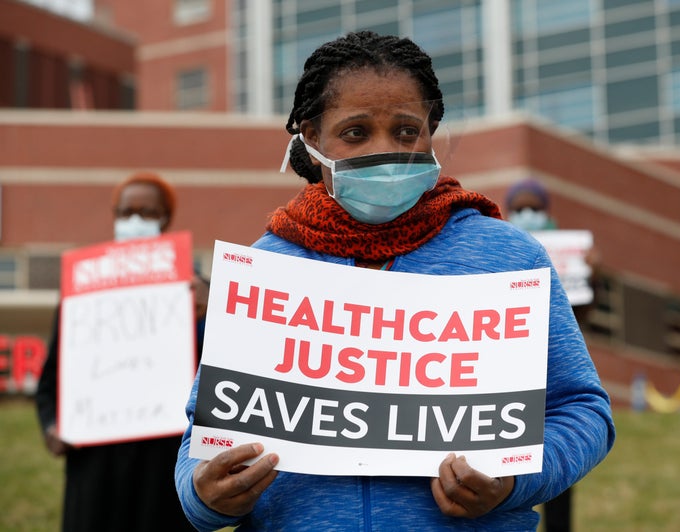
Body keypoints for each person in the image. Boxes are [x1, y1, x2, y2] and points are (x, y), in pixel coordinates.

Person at [174, 31, 615, 531]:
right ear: (311, 138)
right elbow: (202, 439)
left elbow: (582, 411)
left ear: (432, 133)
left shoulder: (508, 258)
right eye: (356, 132)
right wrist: (205, 496)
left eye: (407, 132)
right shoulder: (267, 268)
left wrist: (513, 482)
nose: (386, 151)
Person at [35, 172, 205, 532]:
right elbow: (51, 380)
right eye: (127, 212)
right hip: (95, 462)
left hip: (163, 462)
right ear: (114, 216)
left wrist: (213, 301)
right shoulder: (81, 287)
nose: (135, 221)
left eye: (148, 213)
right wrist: (52, 426)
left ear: (166, 219)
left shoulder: (194, 291)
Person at [505, 178, 598, 532]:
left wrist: (593, 275)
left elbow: (585, 314)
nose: (527, 214)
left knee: (557, 466)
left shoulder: (569, 251)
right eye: (520, 208)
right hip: (511, 373)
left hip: (552, 375)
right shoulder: (503, 248)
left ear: (547, 212)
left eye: (535, 208)